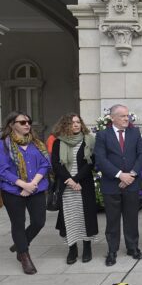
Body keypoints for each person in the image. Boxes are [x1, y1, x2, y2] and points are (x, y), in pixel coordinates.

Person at [94, 104, 142, 266]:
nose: (126, 119)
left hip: (132, 183)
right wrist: (119, 175)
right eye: (123, 116)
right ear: (113, 118)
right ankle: (112, 250)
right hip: (111, 184)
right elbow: (101, 159)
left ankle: (132, 247)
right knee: (112, 220)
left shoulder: (135, 132)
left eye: (127, 116)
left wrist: (131, 175)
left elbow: (141, 154)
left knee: (131, 217)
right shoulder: (103, 135)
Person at [0, 111, 51, 274]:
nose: (27, 124)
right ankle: (24, 256)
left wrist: (33, 183)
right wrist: (23, 185)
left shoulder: (36, 143)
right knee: (18, 224)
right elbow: (3, 170)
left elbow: (45, 164)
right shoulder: (3, 145)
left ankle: (20, 244)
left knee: (39, 221)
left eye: (28, 121)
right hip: (13, 191)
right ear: (11, 125)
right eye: (22, 122)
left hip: (36, 188)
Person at [51, 113, 98, 264]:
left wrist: (76, 180)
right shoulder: (58, 142)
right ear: (65, 125)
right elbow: (56, 165)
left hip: (84, 185)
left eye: (78, 122)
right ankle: (72, 249)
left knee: (85, 217)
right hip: (66, 186)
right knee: (69, 217)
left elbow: (90, 163)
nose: (76, 125)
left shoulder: (89, 140)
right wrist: (70, 181)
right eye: (72, 123)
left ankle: (87, 247)